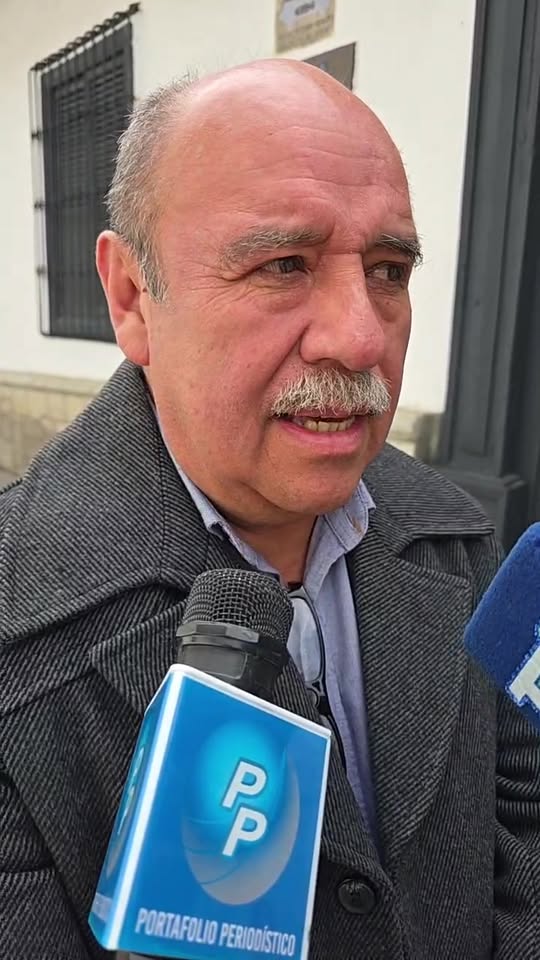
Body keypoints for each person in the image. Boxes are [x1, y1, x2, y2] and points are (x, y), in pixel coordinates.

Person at [0, 59, 538, 960]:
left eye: (389, 269)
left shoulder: (460, 539)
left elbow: (524, 807)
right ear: (131, 297)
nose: (361, 336)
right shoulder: (19, 628)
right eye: (283, 265)